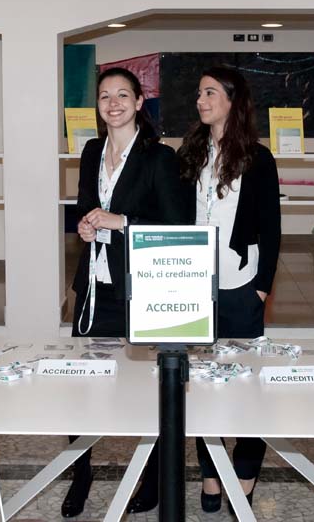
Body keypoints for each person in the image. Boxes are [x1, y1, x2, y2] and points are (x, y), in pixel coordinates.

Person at [127, 66, 281, 514]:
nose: (200, 100)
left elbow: (271, 229)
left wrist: (261, 289)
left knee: (249, 387)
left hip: (239, 282)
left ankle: (246, 474)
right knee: (202, 384)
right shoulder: (190, 151)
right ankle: (213, 475)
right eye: (198, 93)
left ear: (233, 100)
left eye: (210, 92)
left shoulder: (258, 158)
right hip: (194, 284)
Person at [64, 66, 185, 518]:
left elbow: (176, 226)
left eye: (122, 95)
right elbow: (84, 205)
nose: (112, 103)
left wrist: (123, 222)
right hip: (93, 285)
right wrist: (83, 223)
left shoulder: (159, 157)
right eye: (104, 97)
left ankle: (152, 480)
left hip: (140, 288)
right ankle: (80, 473)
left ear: (138, 103)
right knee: (83, 388)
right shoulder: (91, 150)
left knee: (145, 389)